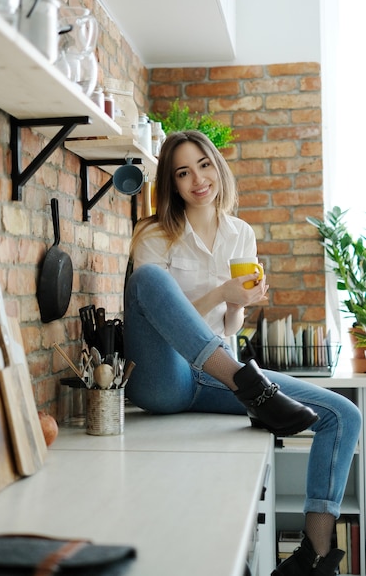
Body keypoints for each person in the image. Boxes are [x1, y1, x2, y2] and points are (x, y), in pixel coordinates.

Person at [123, 130, 362, 576]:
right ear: (171, 184)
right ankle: (252, 388)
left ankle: (314, 557)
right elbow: (161, 316)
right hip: (165, 377)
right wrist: (220, 293)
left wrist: (237, 305)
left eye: (204, 165)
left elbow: (230, 328)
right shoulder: (154, 235)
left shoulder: (240, 234)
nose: (198, 179)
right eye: (183, 172)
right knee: (148, 282)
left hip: (218, 372)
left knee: (345, 415)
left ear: (218, 166)